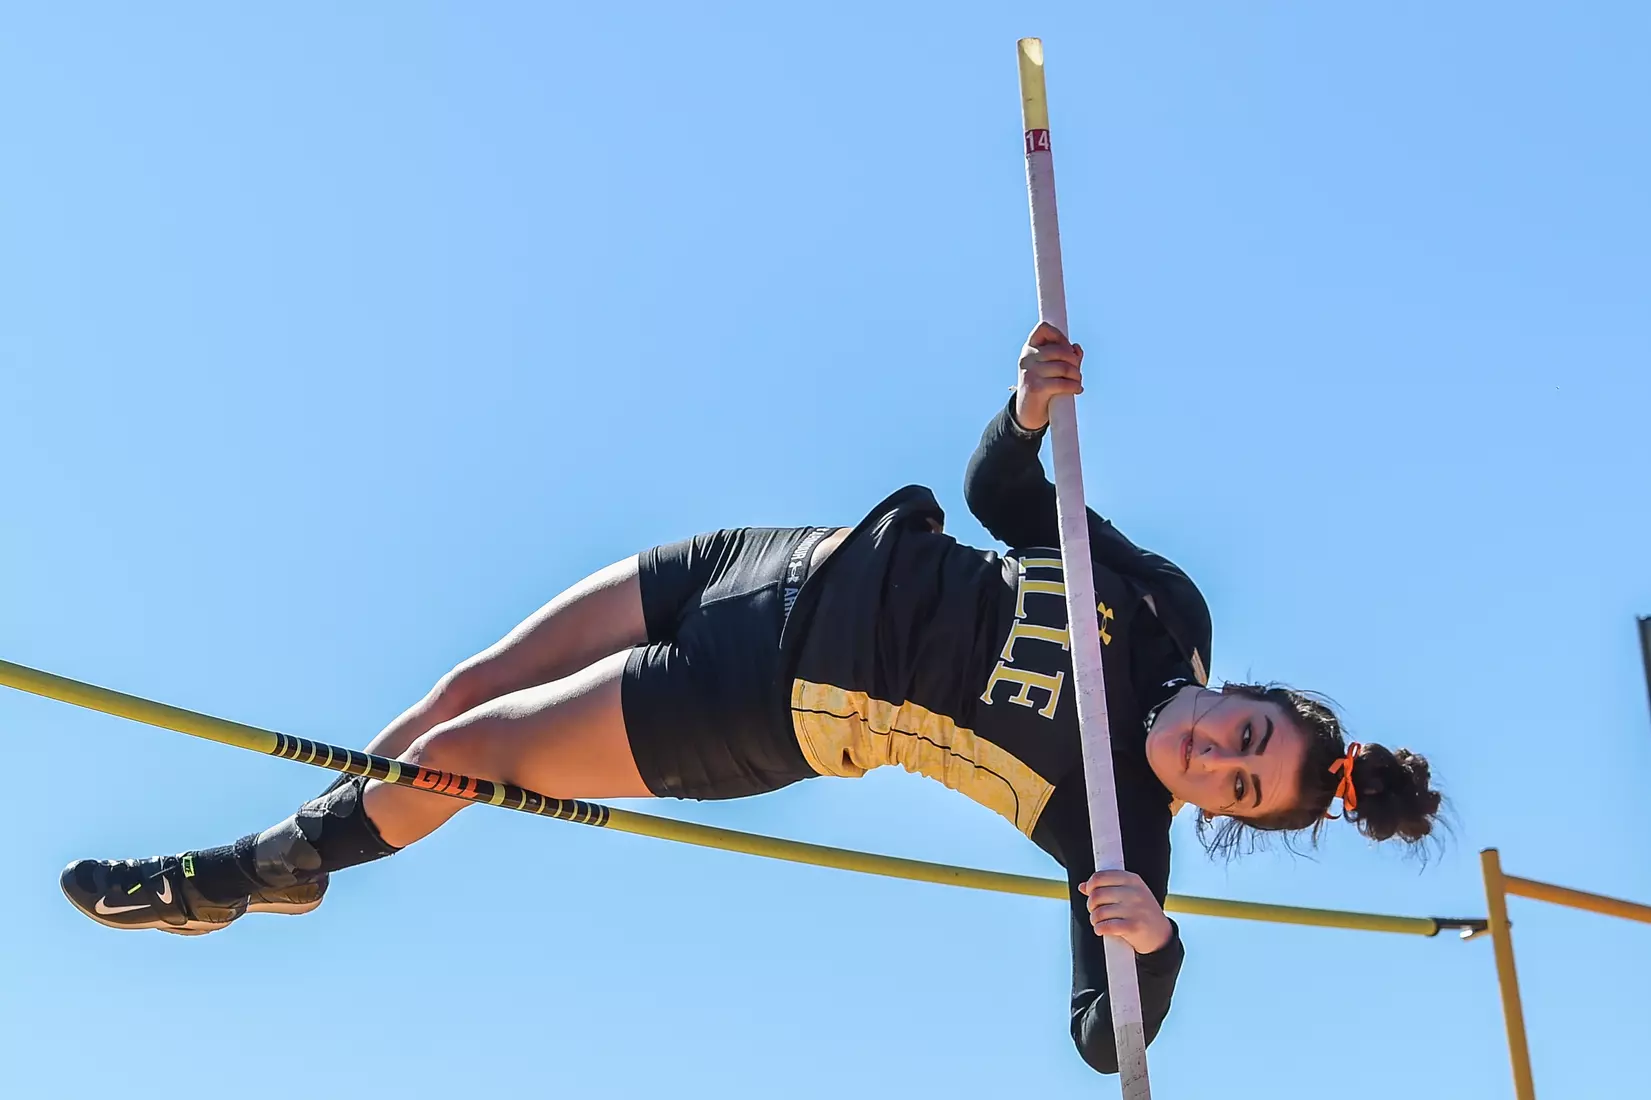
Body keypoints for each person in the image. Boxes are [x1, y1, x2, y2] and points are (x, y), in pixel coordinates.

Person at [61, 323, 1443, 1074]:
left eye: (1233, 787)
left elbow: (1103, 1041)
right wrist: (1024, 410)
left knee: (479, 752)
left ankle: (262, 872)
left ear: (1219, 811)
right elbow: (1003, 502)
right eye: (1244, 733)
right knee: (464, 683)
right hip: (775, 561)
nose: (1217, 755)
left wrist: (1148, 950)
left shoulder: (1117, 835)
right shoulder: (1164, 614)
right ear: (1245, 692)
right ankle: (304, 838)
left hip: (770, 707)